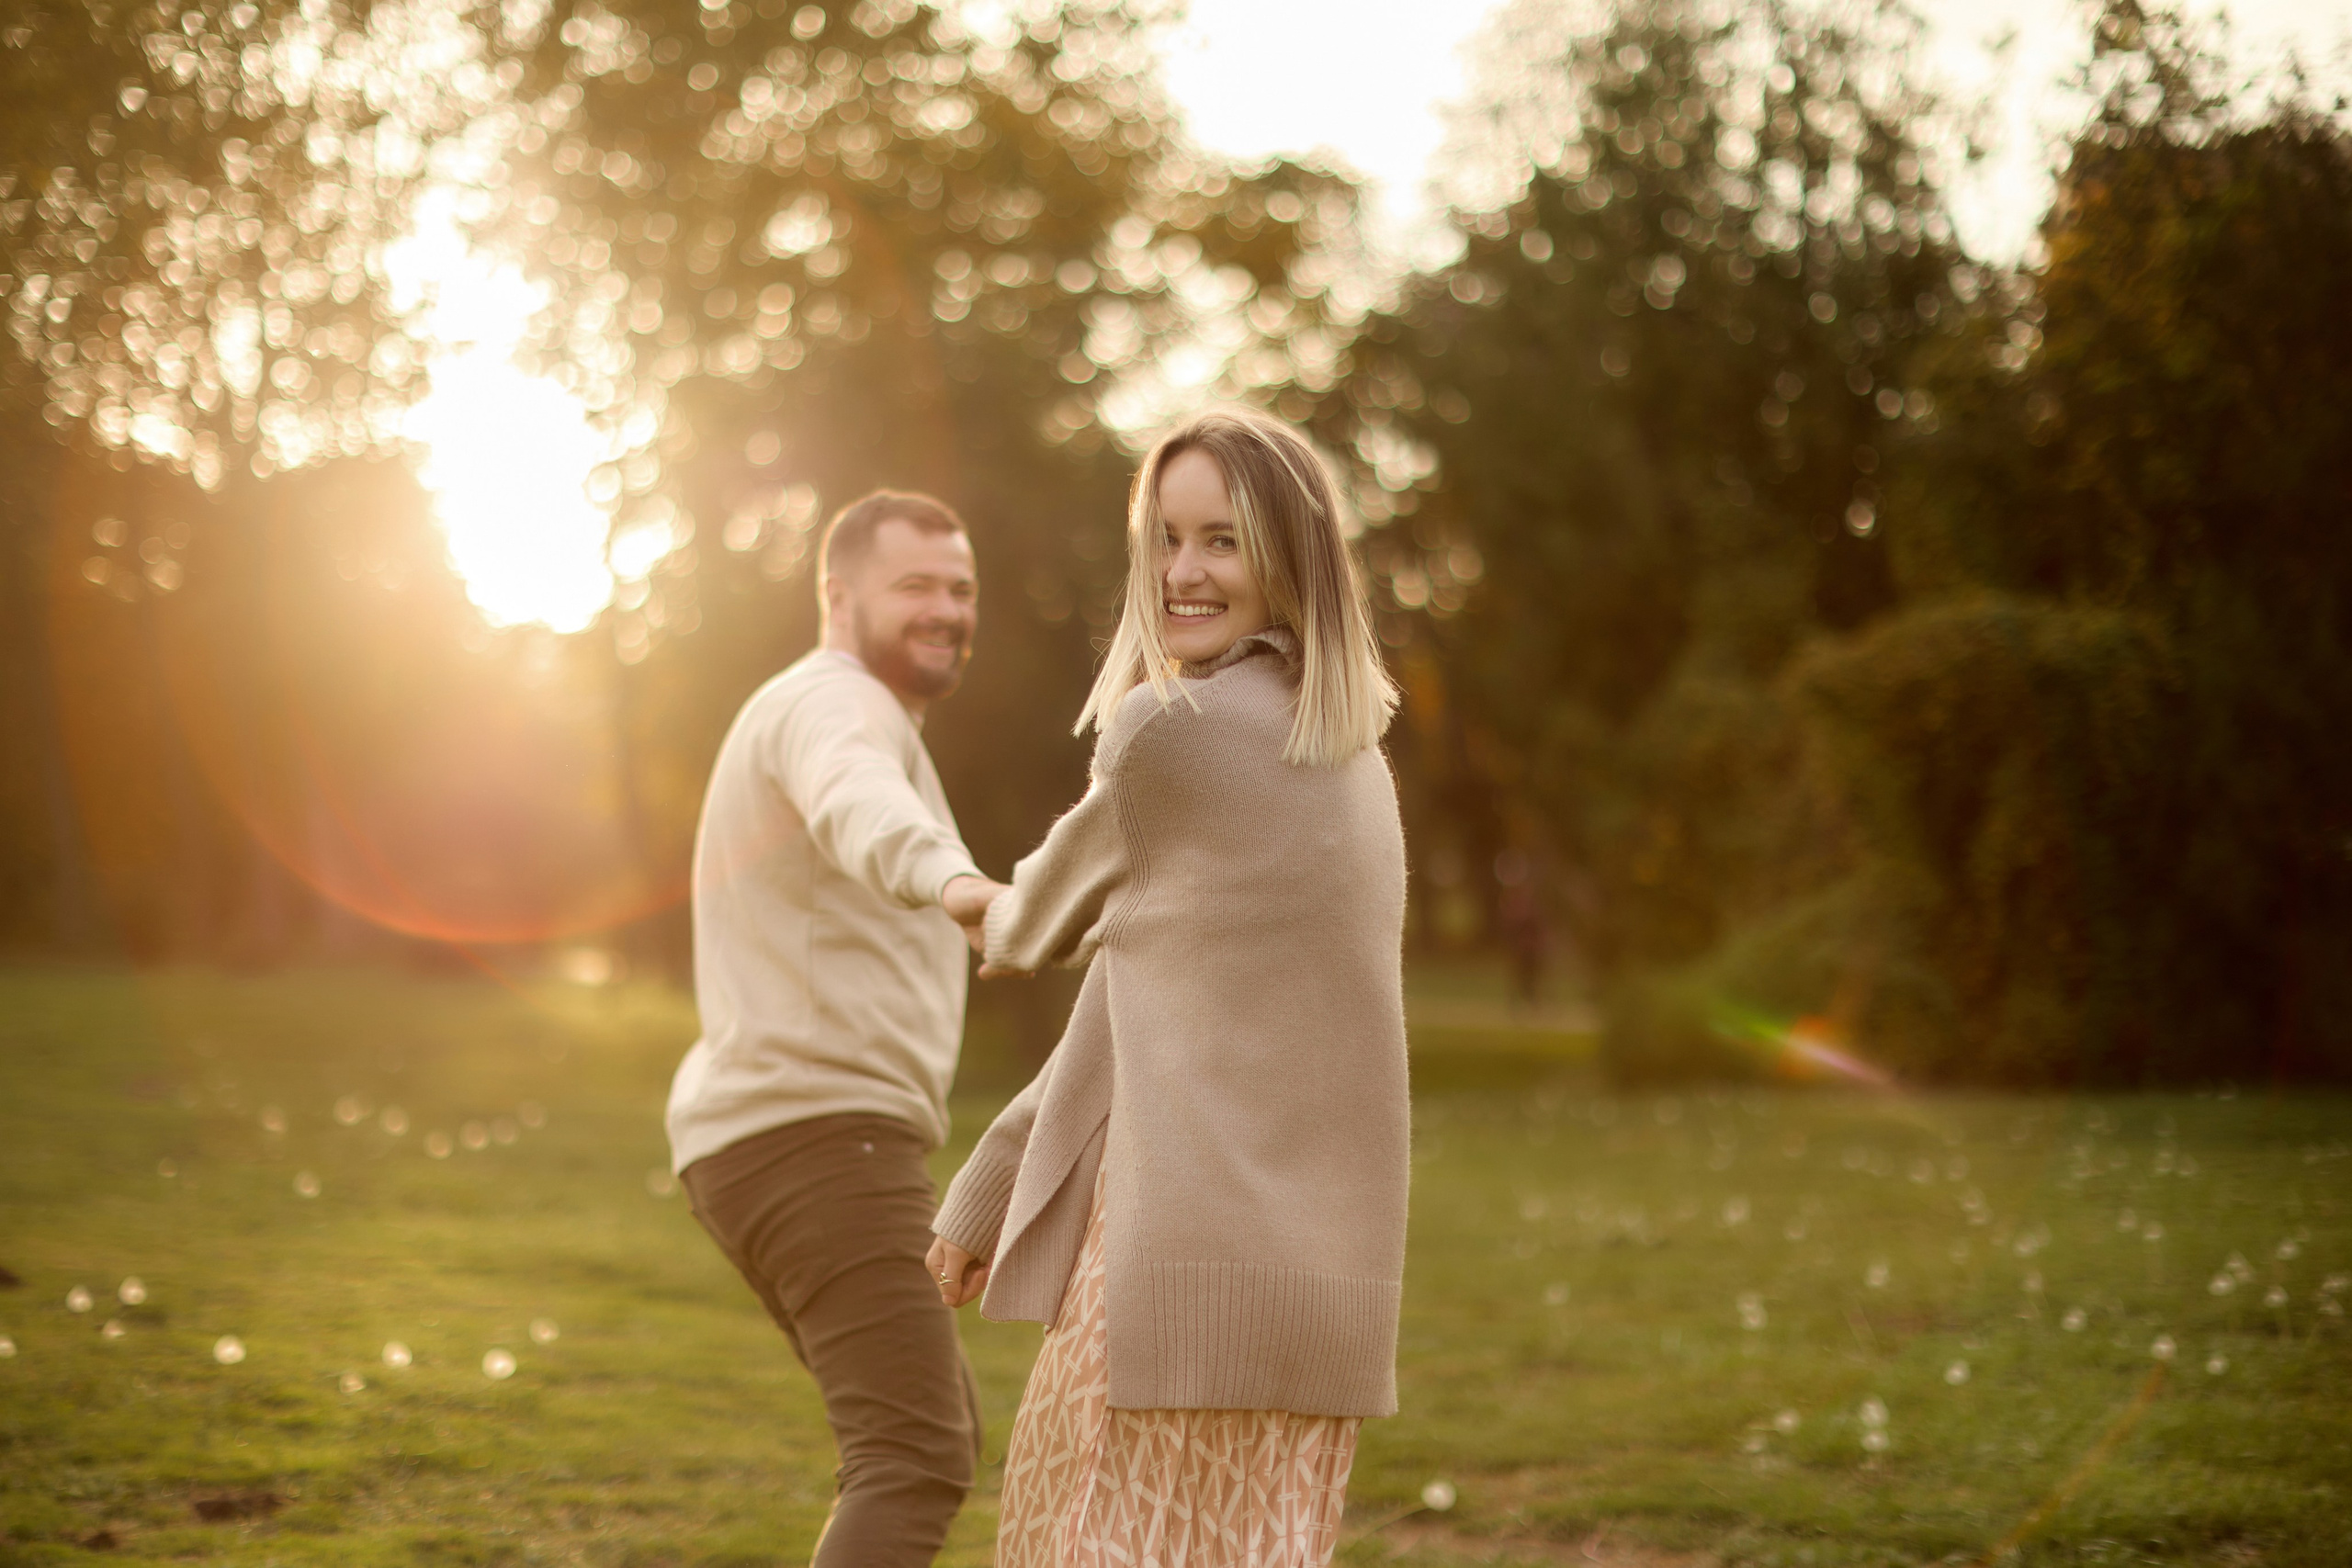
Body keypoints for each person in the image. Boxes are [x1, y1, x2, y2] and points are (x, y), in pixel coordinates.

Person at [929, 408, 1410, 1565]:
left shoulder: (1167, 731)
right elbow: (1136, 1001)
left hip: (1176, 1279)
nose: (1183, 573)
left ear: (1287, 557)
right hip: (1318, 1305)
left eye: (1222, 542)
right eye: (1165, 537)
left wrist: (945, 884)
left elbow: (1029, 924)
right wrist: (995, 1182)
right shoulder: (1353, 757)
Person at [664, 489, 1003, 1568]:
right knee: (913, 1454)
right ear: (836, 595)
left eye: (960, 589)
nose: (946, 609)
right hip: (815, 1137)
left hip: (788, 1135)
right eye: (915, 586)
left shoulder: (845, 708)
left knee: (929, 1434)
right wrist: (954, 884)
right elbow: (857, 802)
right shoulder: (835, 708)